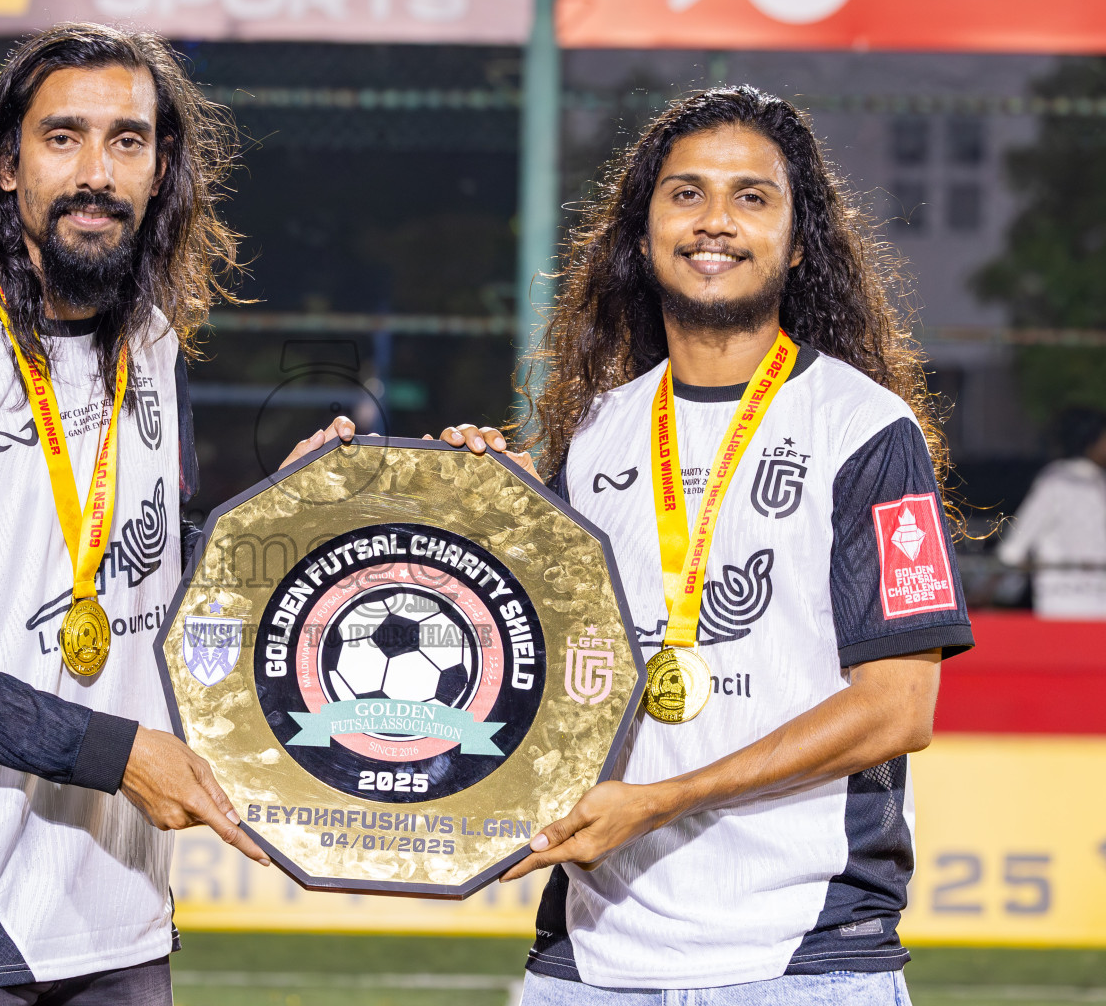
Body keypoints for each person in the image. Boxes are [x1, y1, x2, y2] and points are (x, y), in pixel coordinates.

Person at [432, 86, 974, 1004]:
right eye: (685, 194)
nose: (714, 221)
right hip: (594, 950)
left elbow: (896, 711)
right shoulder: (596, 434)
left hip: (803, 953)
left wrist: (660, 800)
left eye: (751, 197)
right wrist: (426, 497)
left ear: (799, 244)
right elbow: (525, 661)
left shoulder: (866, 432)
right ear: (641, 234)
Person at [0, 24, 267, 1006]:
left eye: (127, 141)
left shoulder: (151, 346)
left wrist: (297, 511)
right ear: (4, 163)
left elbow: (149, 567)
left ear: (161, 172)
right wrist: (113, 753)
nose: (96, 171)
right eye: (63, 138)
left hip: (117, 899)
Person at [996, 407, 1106, 618]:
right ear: (1089, 439)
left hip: (1071, 606)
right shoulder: (1057, 483)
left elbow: (1012, 551)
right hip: (1065, 608)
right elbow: (1013, 550)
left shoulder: (1065, 482)